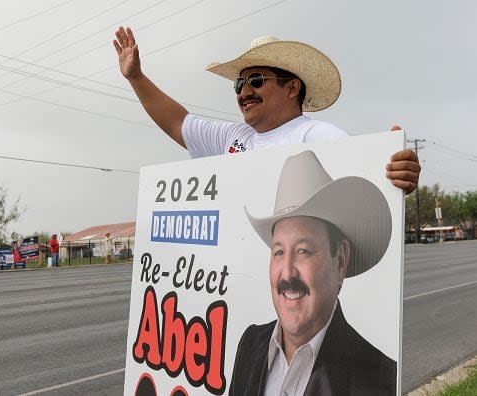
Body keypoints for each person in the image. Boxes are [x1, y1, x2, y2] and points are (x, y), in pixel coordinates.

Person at [113, 27, 421, 195]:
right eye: (239, 83)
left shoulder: (320, 137)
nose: (244, 91)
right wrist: (136, 77)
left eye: (256, 81)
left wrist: (397, 176)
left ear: (292, 88)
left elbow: (367, 189)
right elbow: (177, 122)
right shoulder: (231, 137)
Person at [230, 150, 396, 395]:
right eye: (278, 252)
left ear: (340, 262)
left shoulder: (378, 378)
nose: (287, 273)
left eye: (303, 251)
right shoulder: (250, 343)